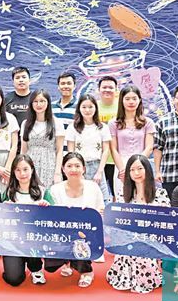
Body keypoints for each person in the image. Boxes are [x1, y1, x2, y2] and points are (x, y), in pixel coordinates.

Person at [106, 155, 170, 293]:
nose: (136, 173)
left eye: (140, 168)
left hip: (152, 238)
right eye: (132, 170)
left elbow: (166, 221)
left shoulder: (160, 193)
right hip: (128, 238)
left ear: (147, 170)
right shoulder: (122, 194)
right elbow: (118, 222)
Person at [43, 152, 104, 288]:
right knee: (51, 265)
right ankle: (67, 262)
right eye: (69, 166)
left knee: (80, 240)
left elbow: (100, 212)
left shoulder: (93, 187)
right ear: (63, 169)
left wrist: (98, 213)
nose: (73, 169)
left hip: (87, 235)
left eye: (77, 166)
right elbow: (50, 218)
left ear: (84, 169)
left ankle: (87, 271)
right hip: (63, 234)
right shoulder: (55, 189)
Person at [1, 155, 49, 286]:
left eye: (25, 169)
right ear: (13, 172)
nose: (22, 173)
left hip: (35, 239)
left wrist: (47, 207)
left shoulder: (43, 191)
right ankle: (18, 264)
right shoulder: (8, 192)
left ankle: (36, 268)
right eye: (18, 170)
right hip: (13, 240)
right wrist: (4, 209)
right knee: (14, 279)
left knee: (32, 242)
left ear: (32, 169)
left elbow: (54, 218)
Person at [109, 85, 154, 201]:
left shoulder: (148, 122)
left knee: (144, 197)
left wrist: (137, 165)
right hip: (121, 165)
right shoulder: (113, 123)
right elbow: (113, 149)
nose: (131, 102)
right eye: (127, 99)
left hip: (142, 165)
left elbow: (149, 147)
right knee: (123, 198)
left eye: (134, 98)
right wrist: (122, 169)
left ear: (139, 100)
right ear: (121, 100)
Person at [65, 94, 112, 204]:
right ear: (79, 108)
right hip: (79, 168)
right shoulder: (72, 127)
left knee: (102, 200)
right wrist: (77, 170)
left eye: (90, 107)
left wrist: (100, 171)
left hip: (97, 166)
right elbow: (71, 152)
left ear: (96, 108)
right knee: (80, 199)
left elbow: (106, 150)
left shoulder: (103, 128)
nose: (87, 110)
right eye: (84, 107)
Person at [20, 89, 65, 188]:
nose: (39, 104)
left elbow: (59, 150)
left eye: (42, 101)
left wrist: (57, 172)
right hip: (30, 165)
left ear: (48, 103)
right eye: (35, 101)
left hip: (49, 165)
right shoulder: (25, 124)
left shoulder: (57, 123)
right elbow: (23, 150)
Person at [97, 76, 118, 205]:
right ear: (98, 89)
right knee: (99, 194)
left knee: (116, 194)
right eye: (104, 87)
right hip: (98, 159)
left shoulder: (122, 107)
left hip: (117, 159)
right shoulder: (93, 107)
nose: (107, 90)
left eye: (111, 87)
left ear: (116, 89)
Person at [52, 71, 78, 153]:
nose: (66, 86)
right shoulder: (50, 107)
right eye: (63, 83)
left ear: (74, 86)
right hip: (53, 153)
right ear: (58, 87)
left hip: (73, 154)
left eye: (69, 83)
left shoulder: (80, 106)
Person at [4, 67, 33, 131]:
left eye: (24, 77)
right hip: (11, 135)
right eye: (17, 78)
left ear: (30, 80)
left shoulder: (36, 98)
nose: (21, 80)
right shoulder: (6, 99)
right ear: (13, 82)